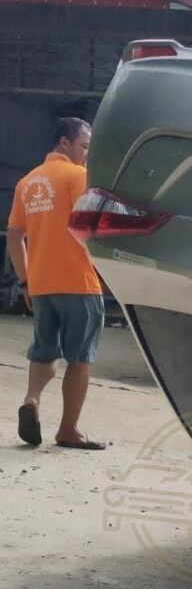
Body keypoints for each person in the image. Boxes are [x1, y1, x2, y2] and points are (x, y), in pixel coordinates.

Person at [7, 117, 105, 450]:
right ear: (64, 143)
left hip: (42, 285)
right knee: (80, 358)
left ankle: (32, 399)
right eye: (85, 146)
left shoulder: (26, 182)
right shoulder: (78, 176)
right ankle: (68, 430)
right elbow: (92, 222)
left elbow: (14, 237)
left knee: (44, 350)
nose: (87, 155)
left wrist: (25, 281)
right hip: (78, 282)